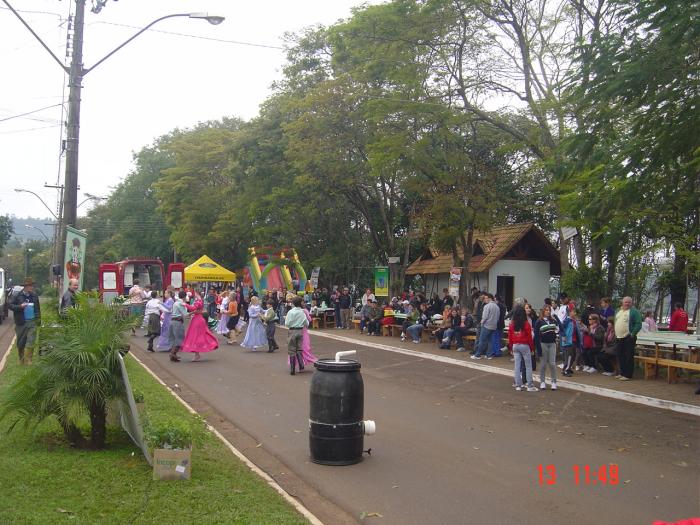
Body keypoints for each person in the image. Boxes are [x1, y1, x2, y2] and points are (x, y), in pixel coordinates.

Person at [10, 277, 41, 365]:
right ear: (25, 286)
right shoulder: (17, 295)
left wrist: (38, 320)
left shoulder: (34, 295)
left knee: (31, 341)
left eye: (32, 285)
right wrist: (20, 306)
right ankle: (21, 360)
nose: (32, 287)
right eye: (30, 285)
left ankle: (29, 360)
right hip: (21, 322)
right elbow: (10, 305)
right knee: (21, 343)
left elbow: (37, 309)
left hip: (32, 322)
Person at [181, 295, 219, 362]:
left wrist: (185, 304)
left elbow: (193, 308)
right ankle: (197, 354)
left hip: (198, 320)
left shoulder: (199, 302)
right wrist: (190, 313)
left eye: (196, 295)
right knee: (197, 336)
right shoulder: (199, 301)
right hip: (197, 319)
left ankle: (197, 354)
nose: (195, 296)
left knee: (196, 336)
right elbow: (196, 311)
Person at [509, 305, 537, 391]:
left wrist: (511, 348)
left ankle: (518, 385)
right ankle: (529, 385)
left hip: (515, 345)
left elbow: (510, 337)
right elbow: (529, 337)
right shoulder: (526, 324)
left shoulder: (512, 324)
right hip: (524, 345)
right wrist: (532, 348)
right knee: (528, 366)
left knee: (517, 366)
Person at [614, 296, 642, 380]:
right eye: (625, 302)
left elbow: (638, 324)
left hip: (628, 337)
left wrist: (632, 334)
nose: (627, 303)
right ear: (622, 302)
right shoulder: (618, 311)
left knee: (628, 356)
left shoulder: (634, 312)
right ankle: (622, 373)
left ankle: (628, 375)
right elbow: (616, 322)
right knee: (620, 355)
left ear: (631, 303)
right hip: (619, 337)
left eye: (629, 302)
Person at [535, 305, 558, 390]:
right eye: (546, 310)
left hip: (552, 343)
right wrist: (538, 349)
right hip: (543, 344)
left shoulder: (553, 320)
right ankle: (542, 381)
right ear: (543, 311)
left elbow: (559, 328)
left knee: (552, 364)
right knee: (543, 364)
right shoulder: (539, 321)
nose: (548, 312)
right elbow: (536, 336)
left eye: (549, 310)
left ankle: (554, 382)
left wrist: (556, 318)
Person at [285, 296, 309, 375]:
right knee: (299, 349)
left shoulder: (290, 312)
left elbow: (287, 323)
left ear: (293, 303)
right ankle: (301, 365)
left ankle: (292, 370)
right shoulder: (302, 312)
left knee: (292, 350)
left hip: (292, 330)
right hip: (300, 331)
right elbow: (307, 323)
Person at [472, 293, 499, 359]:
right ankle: (489, 355)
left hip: (486, 325)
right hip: (494, 326)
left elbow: (484, 317)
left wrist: (481, 323)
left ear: (490, 298)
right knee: (490, 341)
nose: (485, 300)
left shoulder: (487, 306)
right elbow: (498, 318)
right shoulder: (497, 306)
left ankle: (477, 355)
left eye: (486, 298)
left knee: (482, 340)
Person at [560, 310, 582, 377]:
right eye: (573, 312)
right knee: (569, 356)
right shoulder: (567, 320)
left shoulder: (575, 321)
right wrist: (563, 336)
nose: (575, 313)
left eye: (575, 312)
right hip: (568, 341)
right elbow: (561, 329)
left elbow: (577, 331)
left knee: (573, 355)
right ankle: (566, 370)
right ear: (569, 313)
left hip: (574, 340)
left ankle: (568, 368)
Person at [169, 291, 188, 362]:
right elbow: (185, 314)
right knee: (180, 338)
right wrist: (195, 312)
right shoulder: (180, 303)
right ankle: (172, 353)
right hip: (177, 321)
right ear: (184, 297)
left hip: (173, 321)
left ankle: (173, 355)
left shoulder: (175, 303)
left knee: (175, 338)